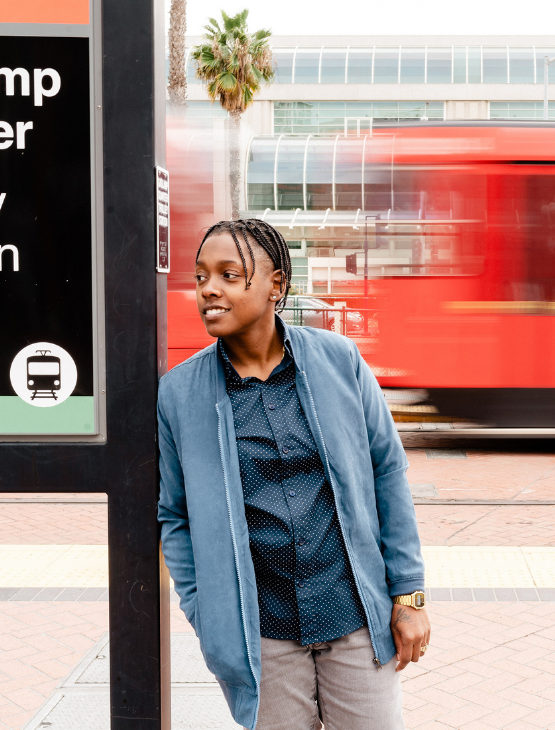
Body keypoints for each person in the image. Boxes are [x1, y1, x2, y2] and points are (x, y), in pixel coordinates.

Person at [158, 219, 430, 730]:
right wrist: (206, 611)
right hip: (262, 635)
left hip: (353, 615)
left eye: (229, 275)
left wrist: (408, 595)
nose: (209, 289)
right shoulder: (179, 394)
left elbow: (387, 472)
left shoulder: (339, 359)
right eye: (200, 278)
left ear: (275, 285)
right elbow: (174, 515)